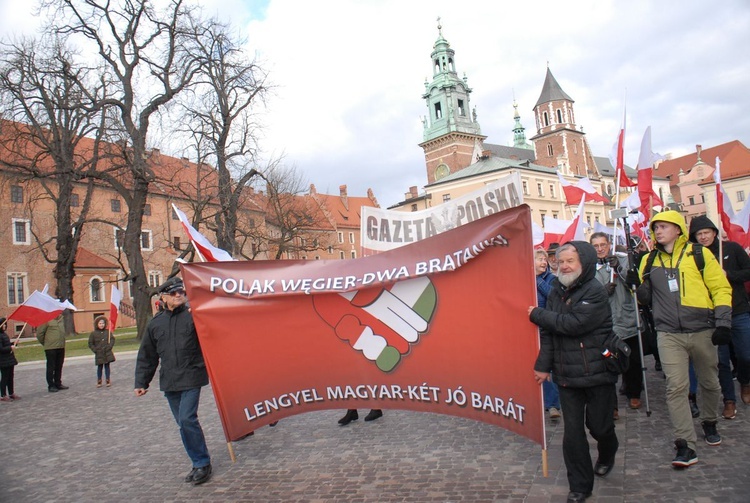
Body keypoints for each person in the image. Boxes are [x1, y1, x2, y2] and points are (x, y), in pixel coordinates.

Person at [631, 210, 731, 468]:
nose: (659, 231)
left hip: (702, 329)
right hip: (668, 333)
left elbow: (720, 287)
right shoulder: (649, 259)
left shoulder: (698, 254)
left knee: (710, 382)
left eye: (664, 226)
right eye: (656, 227)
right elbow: (645, 299)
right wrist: (635, 285)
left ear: (677, 229)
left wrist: (723, 323)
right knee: (676, 387)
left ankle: (709, 420)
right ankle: (686, 444)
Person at [529, 241, 619, 503]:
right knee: (573, 434)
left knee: (599, 427)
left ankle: (608, 450)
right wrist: (543, 366)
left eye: (570, 261)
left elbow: (574, 324)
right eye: (561, 261)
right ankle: (580, 486)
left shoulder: (595, 291)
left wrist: (537, 314)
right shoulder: (556, 289)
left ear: (585, 263)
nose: (564, 266)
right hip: (567, 374)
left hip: (598, 371)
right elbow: (550, 334)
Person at [135, 277, 212, 485]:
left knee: (187, 419)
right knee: (183, 424)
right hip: (170, 381)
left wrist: (202, 316)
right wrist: (141, 382)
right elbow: (147, 355)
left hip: (191, 376)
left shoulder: (193, 317)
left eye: (181, 292)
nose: (179, 295)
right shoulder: (155, 324)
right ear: (163, 297)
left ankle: (202, 463)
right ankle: (197, 462)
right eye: (174, 293)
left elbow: (212, 336)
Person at [689, 215, 750, 417]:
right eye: (699, 234)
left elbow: (748, 271)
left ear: (714, 232)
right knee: (721, 361)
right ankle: (729, 400)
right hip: (712, 315)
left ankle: (745, 381)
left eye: (706, 232)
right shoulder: (694, 257)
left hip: (738, 310)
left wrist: (729, 275)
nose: (703, 236)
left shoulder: (731, 249)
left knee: (745, 355)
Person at [590, 232, 642, 412]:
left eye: (603, 245)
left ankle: (634, 393)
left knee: (632, 361)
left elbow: (635, 286)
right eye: (596, 246)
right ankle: (611, 404)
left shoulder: (624, 259)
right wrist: (602, 292)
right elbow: (588, 295)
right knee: (607, 364)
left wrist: (619, 268)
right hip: (605, 322)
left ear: (609, 244)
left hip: (626, 317)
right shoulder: (589, 267)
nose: (600, 249)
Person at [534, 247, 561, 420]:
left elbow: (553, 296)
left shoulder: (551, 279)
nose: (545, 262)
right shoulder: (522, 279)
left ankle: (552, 404)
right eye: (540, 259)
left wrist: (536, 279)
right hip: (529, 328)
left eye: (545, 259)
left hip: (545, 327)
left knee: (547, 366)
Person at [37, 313, 70, 392]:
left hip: (61, 346)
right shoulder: (46, 319)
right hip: (50, 347)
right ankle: (51, 385)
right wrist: (46, 343)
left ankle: (58, 383)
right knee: (51, 367)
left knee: (59, 366)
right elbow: (40, 334)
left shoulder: (61, 319)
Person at [88, 316, 116, 388]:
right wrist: (95, 350)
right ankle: (99, 380)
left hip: (107, 352)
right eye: (100, 323)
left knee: (107, 366)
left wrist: (109, 346)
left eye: (103, 323)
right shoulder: (93, 334)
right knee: (100, 367)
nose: (101, 325)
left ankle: (107, 379)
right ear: (97, 324)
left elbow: (112, 340)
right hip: (99, 353)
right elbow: (90, 343)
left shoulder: (108, 332)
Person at [0, 317, 19, 401]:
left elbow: (6, 344)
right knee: (5, 377)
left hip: (9, 359)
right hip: (3, 360)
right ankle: (3, 394)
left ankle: (11, 393)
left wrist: (14, 343)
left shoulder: (4, 334)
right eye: (3, 324)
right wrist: (10, 348)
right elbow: (1, 349)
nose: (5, 326)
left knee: (11, 377)